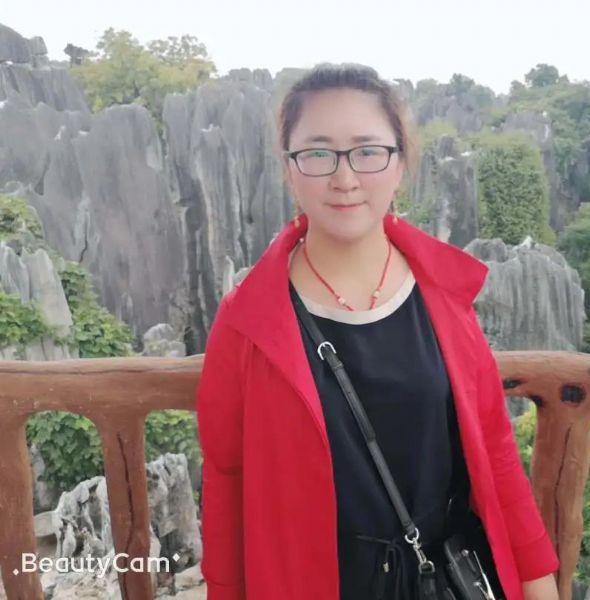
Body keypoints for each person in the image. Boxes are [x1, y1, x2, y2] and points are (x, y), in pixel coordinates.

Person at [196, 63, 560, 600]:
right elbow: (226, 479)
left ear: (400, 163)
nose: (345, 179)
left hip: (441, 580)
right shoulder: (249, 321)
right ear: (289, 169)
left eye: (368, 152)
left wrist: (537, 580)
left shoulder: (442, 297)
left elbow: (495, 450)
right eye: (318, 153)